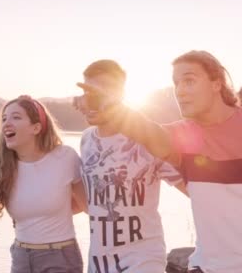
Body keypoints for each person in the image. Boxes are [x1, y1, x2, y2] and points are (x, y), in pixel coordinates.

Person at [76, 51, 242, 273]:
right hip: (205, 268)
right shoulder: (182, 138)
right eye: (176, 84)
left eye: (189, 81)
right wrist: (108, 104)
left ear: (217, 83)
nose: (180, 91)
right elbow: (146, 132)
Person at [0, 95, 86, 273]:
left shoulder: (65, 157)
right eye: (4, 119)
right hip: (21, 257)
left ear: (36, 128)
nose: (6, 123)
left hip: (60, 257)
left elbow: (87, 205)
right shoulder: (1, 167)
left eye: (16, 117)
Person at [75, 59, 185, 273]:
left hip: (142, 261)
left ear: (120, 96)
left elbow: (193, 190)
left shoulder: (146, 140)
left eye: (100, 91)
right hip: (99, 262)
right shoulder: (86, 140)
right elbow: (93, 202)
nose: (93, 99)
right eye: (87, 91)